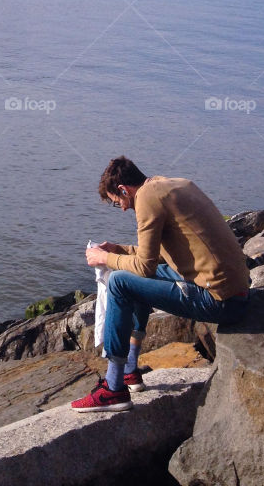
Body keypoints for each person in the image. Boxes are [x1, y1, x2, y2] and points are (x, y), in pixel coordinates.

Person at [71, 155, 251, 412]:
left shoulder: (145, 199)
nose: (122, 208)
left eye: (117, 202)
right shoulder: (172, 185)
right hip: (235, 290)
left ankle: (113, 388)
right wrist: (118, 250)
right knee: (133, 278)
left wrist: (105, 258)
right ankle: (130, 371)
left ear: (123, 189)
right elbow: (156, 259)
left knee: (120, 282)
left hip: (220, 301)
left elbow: (145, 266)